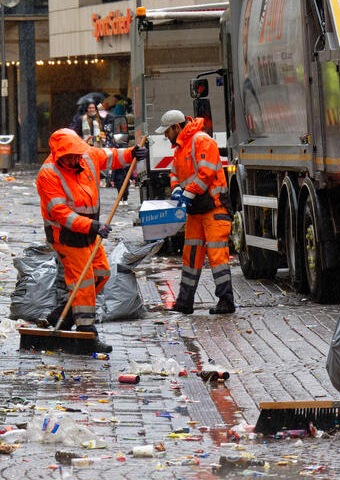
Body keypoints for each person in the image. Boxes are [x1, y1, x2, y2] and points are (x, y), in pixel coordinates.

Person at [36, 129, 148, 353]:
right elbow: (60, 213)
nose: (75, 158)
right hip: (66, 236)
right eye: (70, 155)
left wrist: (131, 153)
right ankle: (86, 335)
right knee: (84, 282)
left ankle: (63, 315)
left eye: (77, 153)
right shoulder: (48, 174)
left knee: (101, 274)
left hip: (89, 232)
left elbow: (109, 157)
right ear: (58, 154)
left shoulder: (86, 157)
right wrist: (93, 226)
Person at [162, 110, 235, 315]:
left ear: (177, 127)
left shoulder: (201, 141)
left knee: (217, 256)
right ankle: (184, 302)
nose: (165, 136)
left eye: (167, 131)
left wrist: (187, 194)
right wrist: (177, 189)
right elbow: (175, 172)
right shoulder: (180, 148)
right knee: (190, 256)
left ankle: (226, 301)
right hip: (197, 210)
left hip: (214, 208)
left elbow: (206, 174)